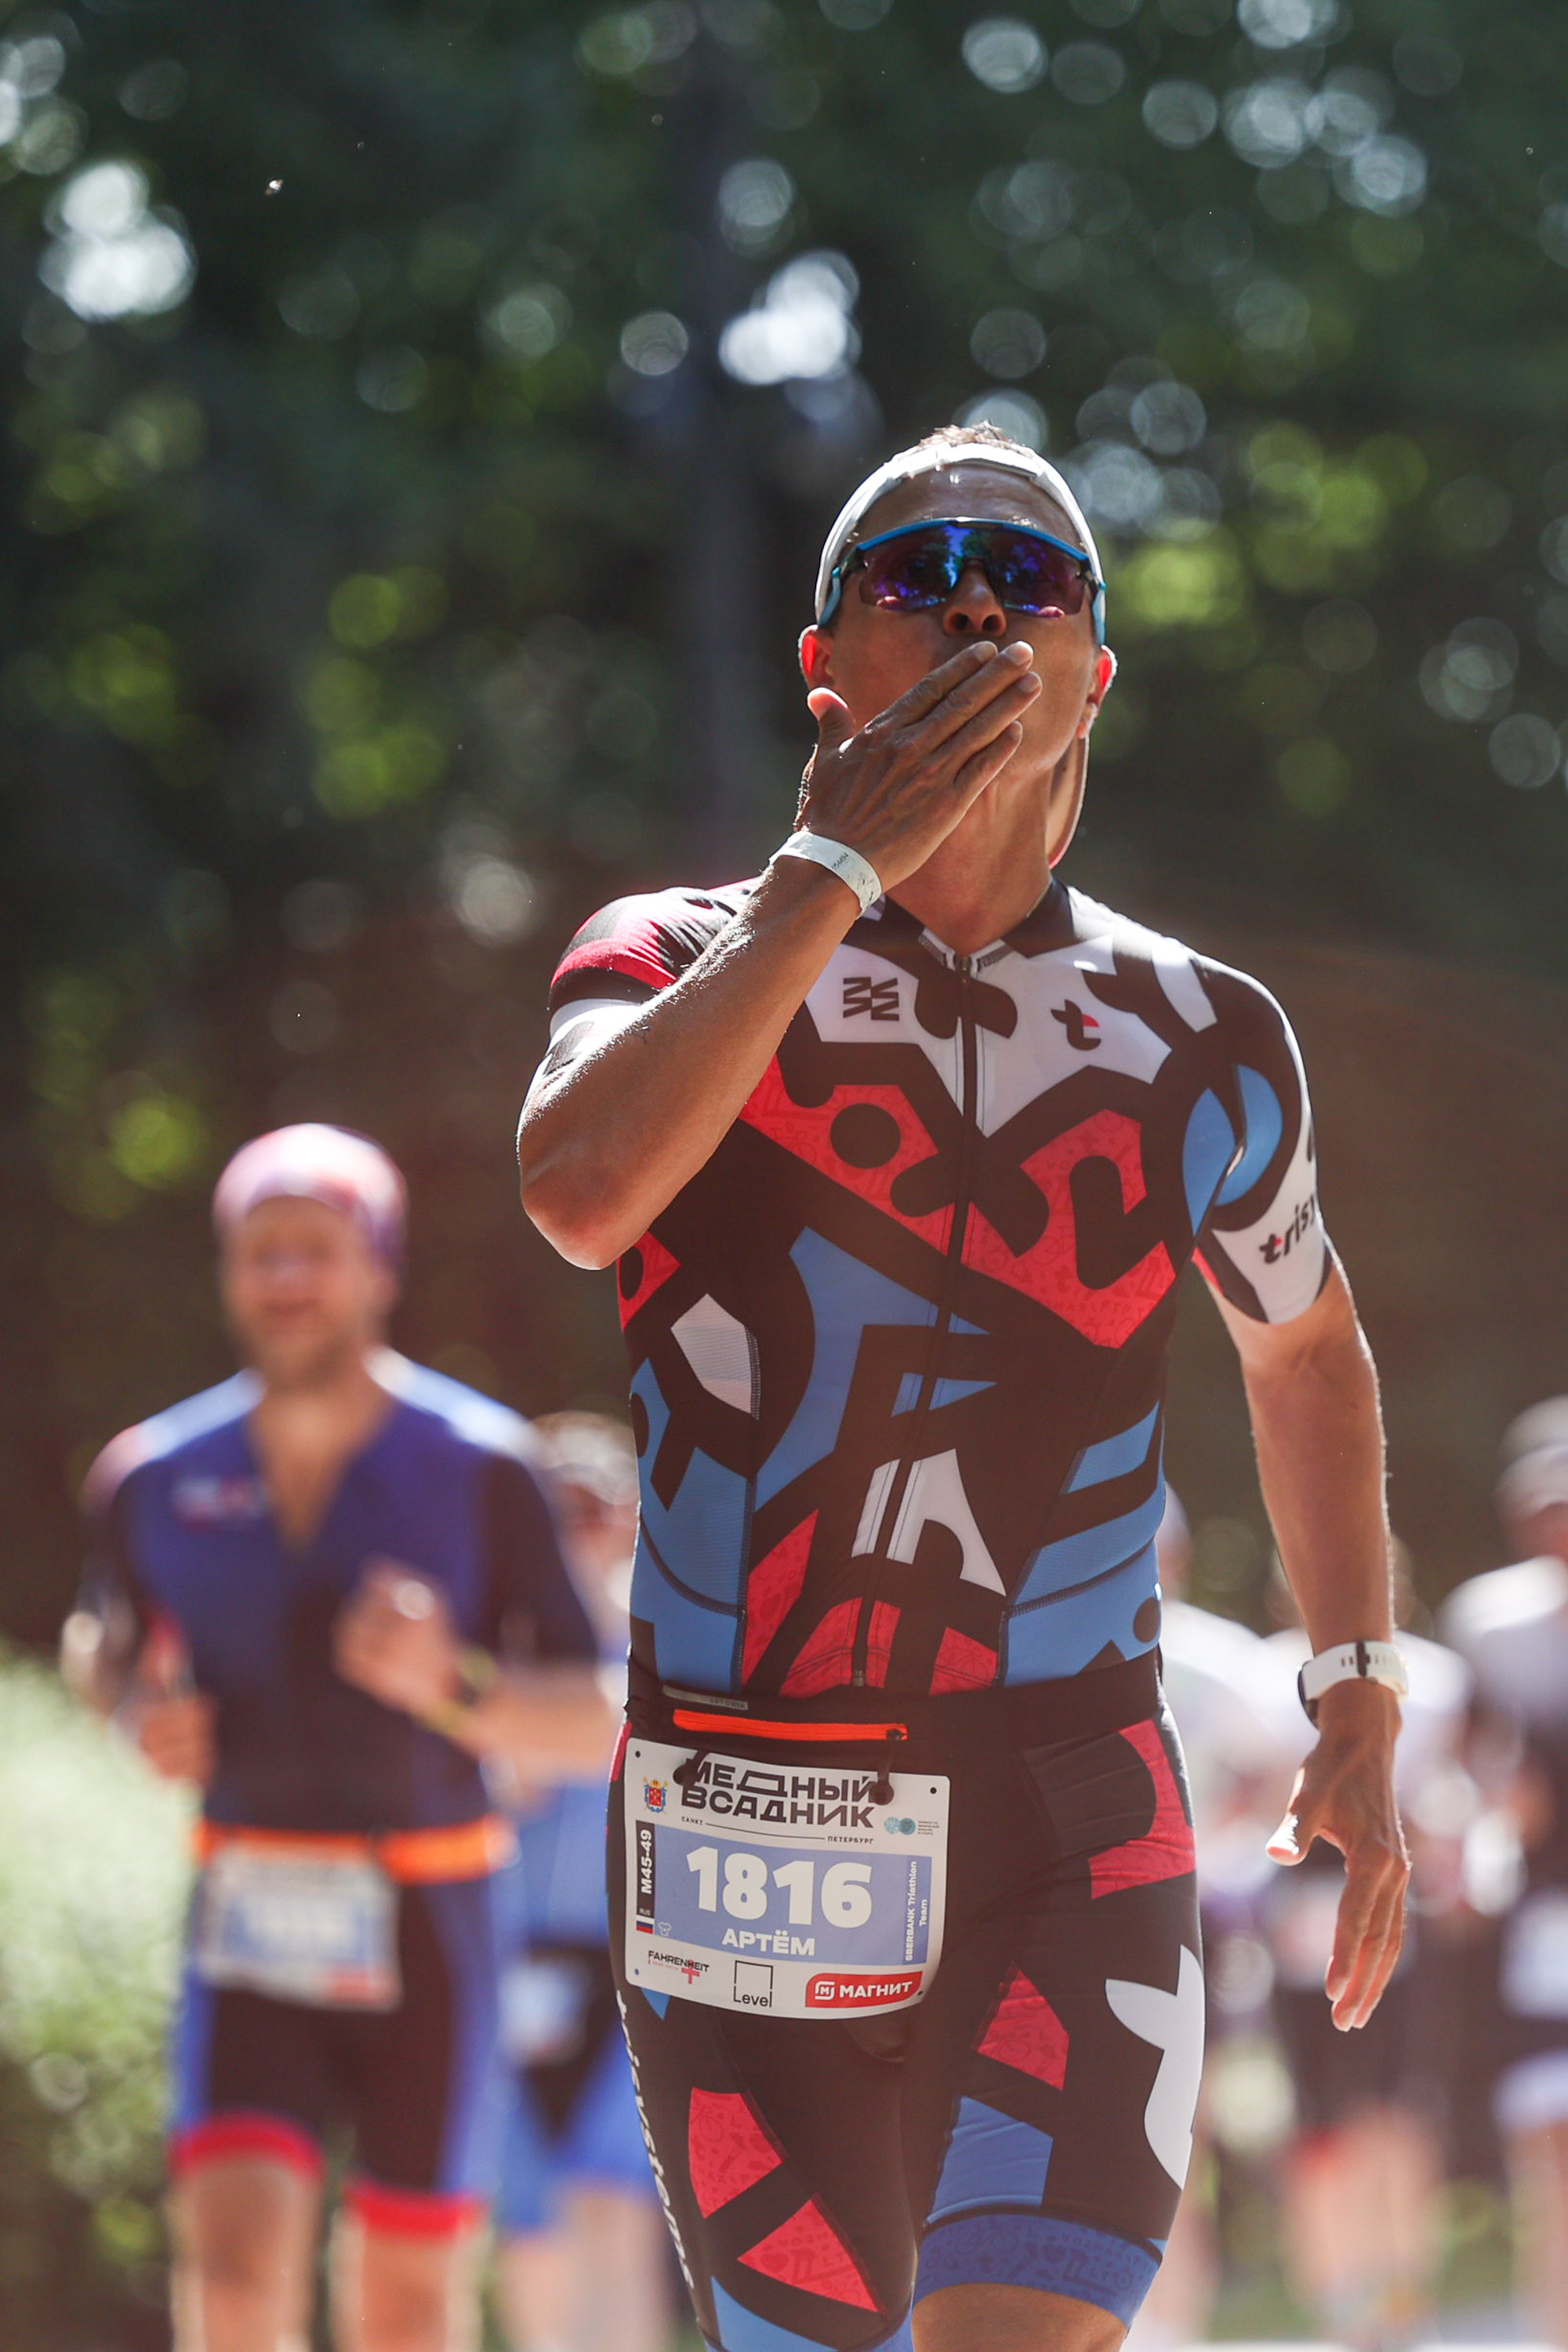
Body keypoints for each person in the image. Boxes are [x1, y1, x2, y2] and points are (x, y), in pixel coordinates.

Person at [516, 423, 1408, 2352]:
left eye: (1033, 575)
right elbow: (581, 1194)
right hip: (744, 1781)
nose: (980, 596)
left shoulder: (1200, 1031)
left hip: (1064, 1796)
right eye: (911, 573)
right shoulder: (669, 952)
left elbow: (1304, 1339)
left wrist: (1349, 1677)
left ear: (1098, 667)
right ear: (822, 663)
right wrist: (828, 870)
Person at [61, 1123, 614, 2352]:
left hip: (434, 1922)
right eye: (261, 1252)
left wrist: (453, 1686)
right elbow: (97, 1643)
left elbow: (599, 1717)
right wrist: (138, 1719)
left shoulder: (480, 1463)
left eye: (317, 1249)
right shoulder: (153, 1475)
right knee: (237, 2274)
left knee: (407, 2307)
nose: (287, 1279)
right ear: (227, 1271)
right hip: (247, 1915)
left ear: (379, 1268)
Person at [490, 1413, 675, 2352]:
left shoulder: (663, 1646)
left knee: (615, 2208)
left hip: (624, 1960)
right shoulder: (490, 1639)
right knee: (527, 2227)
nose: (578, 1534)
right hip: (503, 1956)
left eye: (598, 1510)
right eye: (554, 1513)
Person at [1261, 1549, 1471, 2351]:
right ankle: (1338, 2309)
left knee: (1399, 2109)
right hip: (1297, 1924)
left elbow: (1450, 1798)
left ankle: (1401, 2302)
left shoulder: (1437, 1679)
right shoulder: (1259, 1677)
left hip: (1394, 1907)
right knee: (1318, 2120)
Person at [1440, 1403, 1568, 2348]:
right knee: (1545, 2142)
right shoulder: (1488, 1621)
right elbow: (1469, 1766)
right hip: (1542, 1921)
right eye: (1542, 1507)